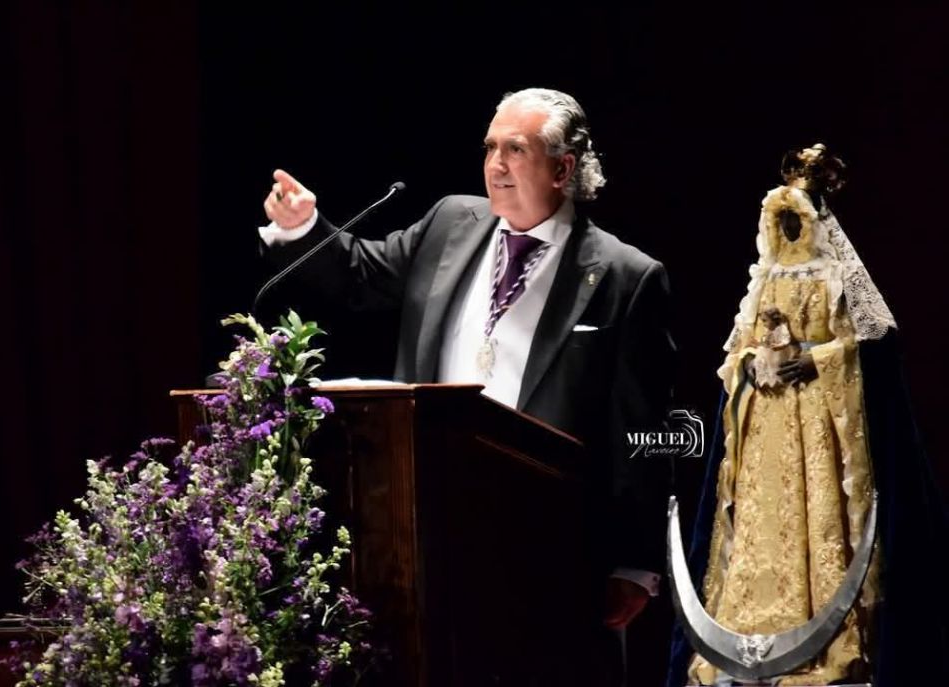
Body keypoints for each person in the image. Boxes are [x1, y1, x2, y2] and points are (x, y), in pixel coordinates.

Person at [260, 88, 677, 682]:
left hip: (548, 544)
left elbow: (643, 432)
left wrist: (634, 563)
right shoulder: (451, 223)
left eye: (515, 150)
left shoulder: (624, 276)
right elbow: (360, 273)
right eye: (489, 148)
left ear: (563, 169)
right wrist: (303, 227)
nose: (495, 165)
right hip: (423, 521)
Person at [668, 144, 949, 686]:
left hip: (817, 427)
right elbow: (738, 350)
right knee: (757, 529)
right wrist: (753, 364)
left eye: (797, 218)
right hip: (764, 433)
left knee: (819, 523)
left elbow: (871, 346)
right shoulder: (765, 280)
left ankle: (822, 644)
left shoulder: (835, 276)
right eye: (783, 219)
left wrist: (815, 361)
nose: (790, 228)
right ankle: (747, 636)